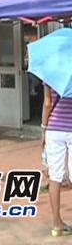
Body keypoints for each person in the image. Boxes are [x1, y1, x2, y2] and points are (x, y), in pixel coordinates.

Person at [42, 81, 72, 237]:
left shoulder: (50, 74)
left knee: (55, 177)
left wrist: (43, 129)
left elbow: (47, 104)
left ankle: (57, 224)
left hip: (54, 129)